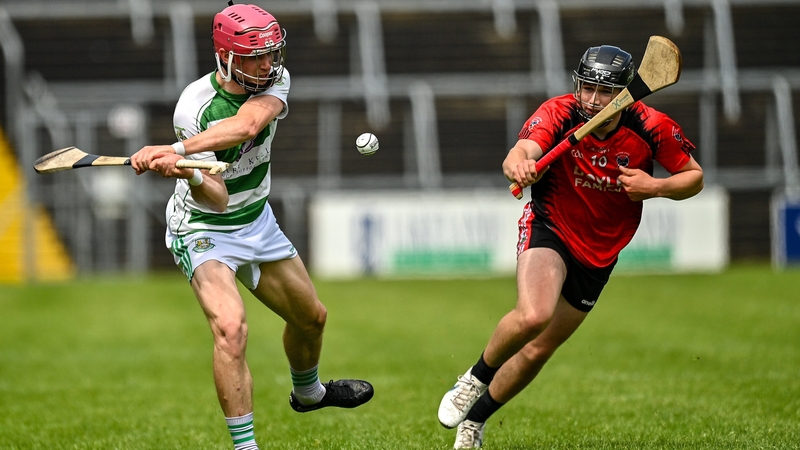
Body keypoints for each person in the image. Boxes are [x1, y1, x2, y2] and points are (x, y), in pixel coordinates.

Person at [129, 3, 373, 449]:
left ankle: (309, 393)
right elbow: (216, 201)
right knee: (231, 327)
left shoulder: (275, 79)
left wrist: (176, 150)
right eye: (255, 56)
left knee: (312, 319)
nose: (268, 64)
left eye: (271, 53)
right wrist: (189, 171)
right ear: (226, 57)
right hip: (203, 225)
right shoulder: (195, 107)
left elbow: (248, 124)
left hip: (256, 219)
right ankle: (246, 447)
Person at [437, 44, 703, 448]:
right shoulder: (559, 112)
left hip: (599, 253)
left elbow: (693, 177)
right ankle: (474, 379)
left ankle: (474, 421)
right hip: (550, 226)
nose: (593, 100)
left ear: (625, 92)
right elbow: (520, 152)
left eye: (605, 92)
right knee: (533, 316)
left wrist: (656, 187)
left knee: (538, 349)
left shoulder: (652, 126)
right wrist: (520, 164)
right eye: (587, 88)